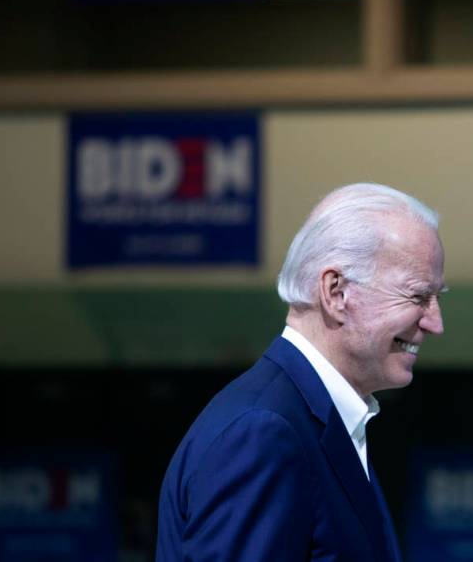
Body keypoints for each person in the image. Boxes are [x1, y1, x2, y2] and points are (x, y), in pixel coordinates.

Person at [156, 182, 446, 562]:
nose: (435, 323)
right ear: (336, 292)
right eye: (418, 296)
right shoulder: (264, 433)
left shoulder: (314, 422)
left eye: (438, 297)